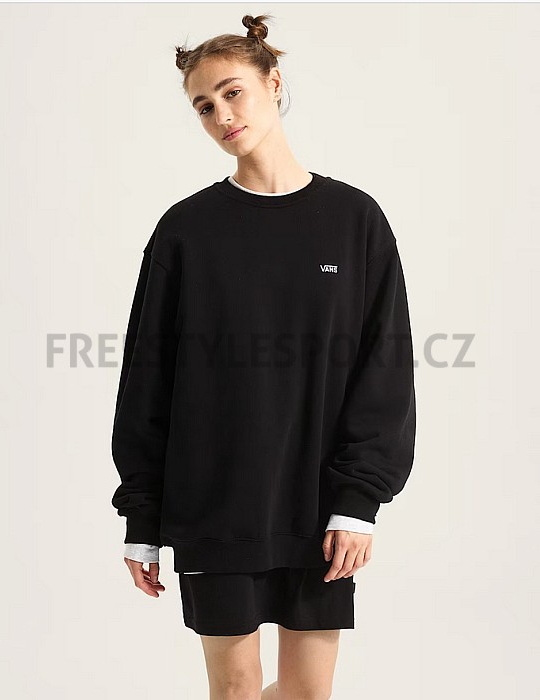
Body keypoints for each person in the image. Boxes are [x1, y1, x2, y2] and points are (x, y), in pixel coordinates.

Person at [110, 13, 416, 699]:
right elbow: (146, 380)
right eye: (203, 106)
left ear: (273, 83)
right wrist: (142, 519)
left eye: (232, 92)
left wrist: (358, 503)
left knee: (307, 693)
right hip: (212, 505)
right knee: (236, 690)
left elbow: (384, 371)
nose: (221, 115)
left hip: (319, 508)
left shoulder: (354, 219)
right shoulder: (186, 231)